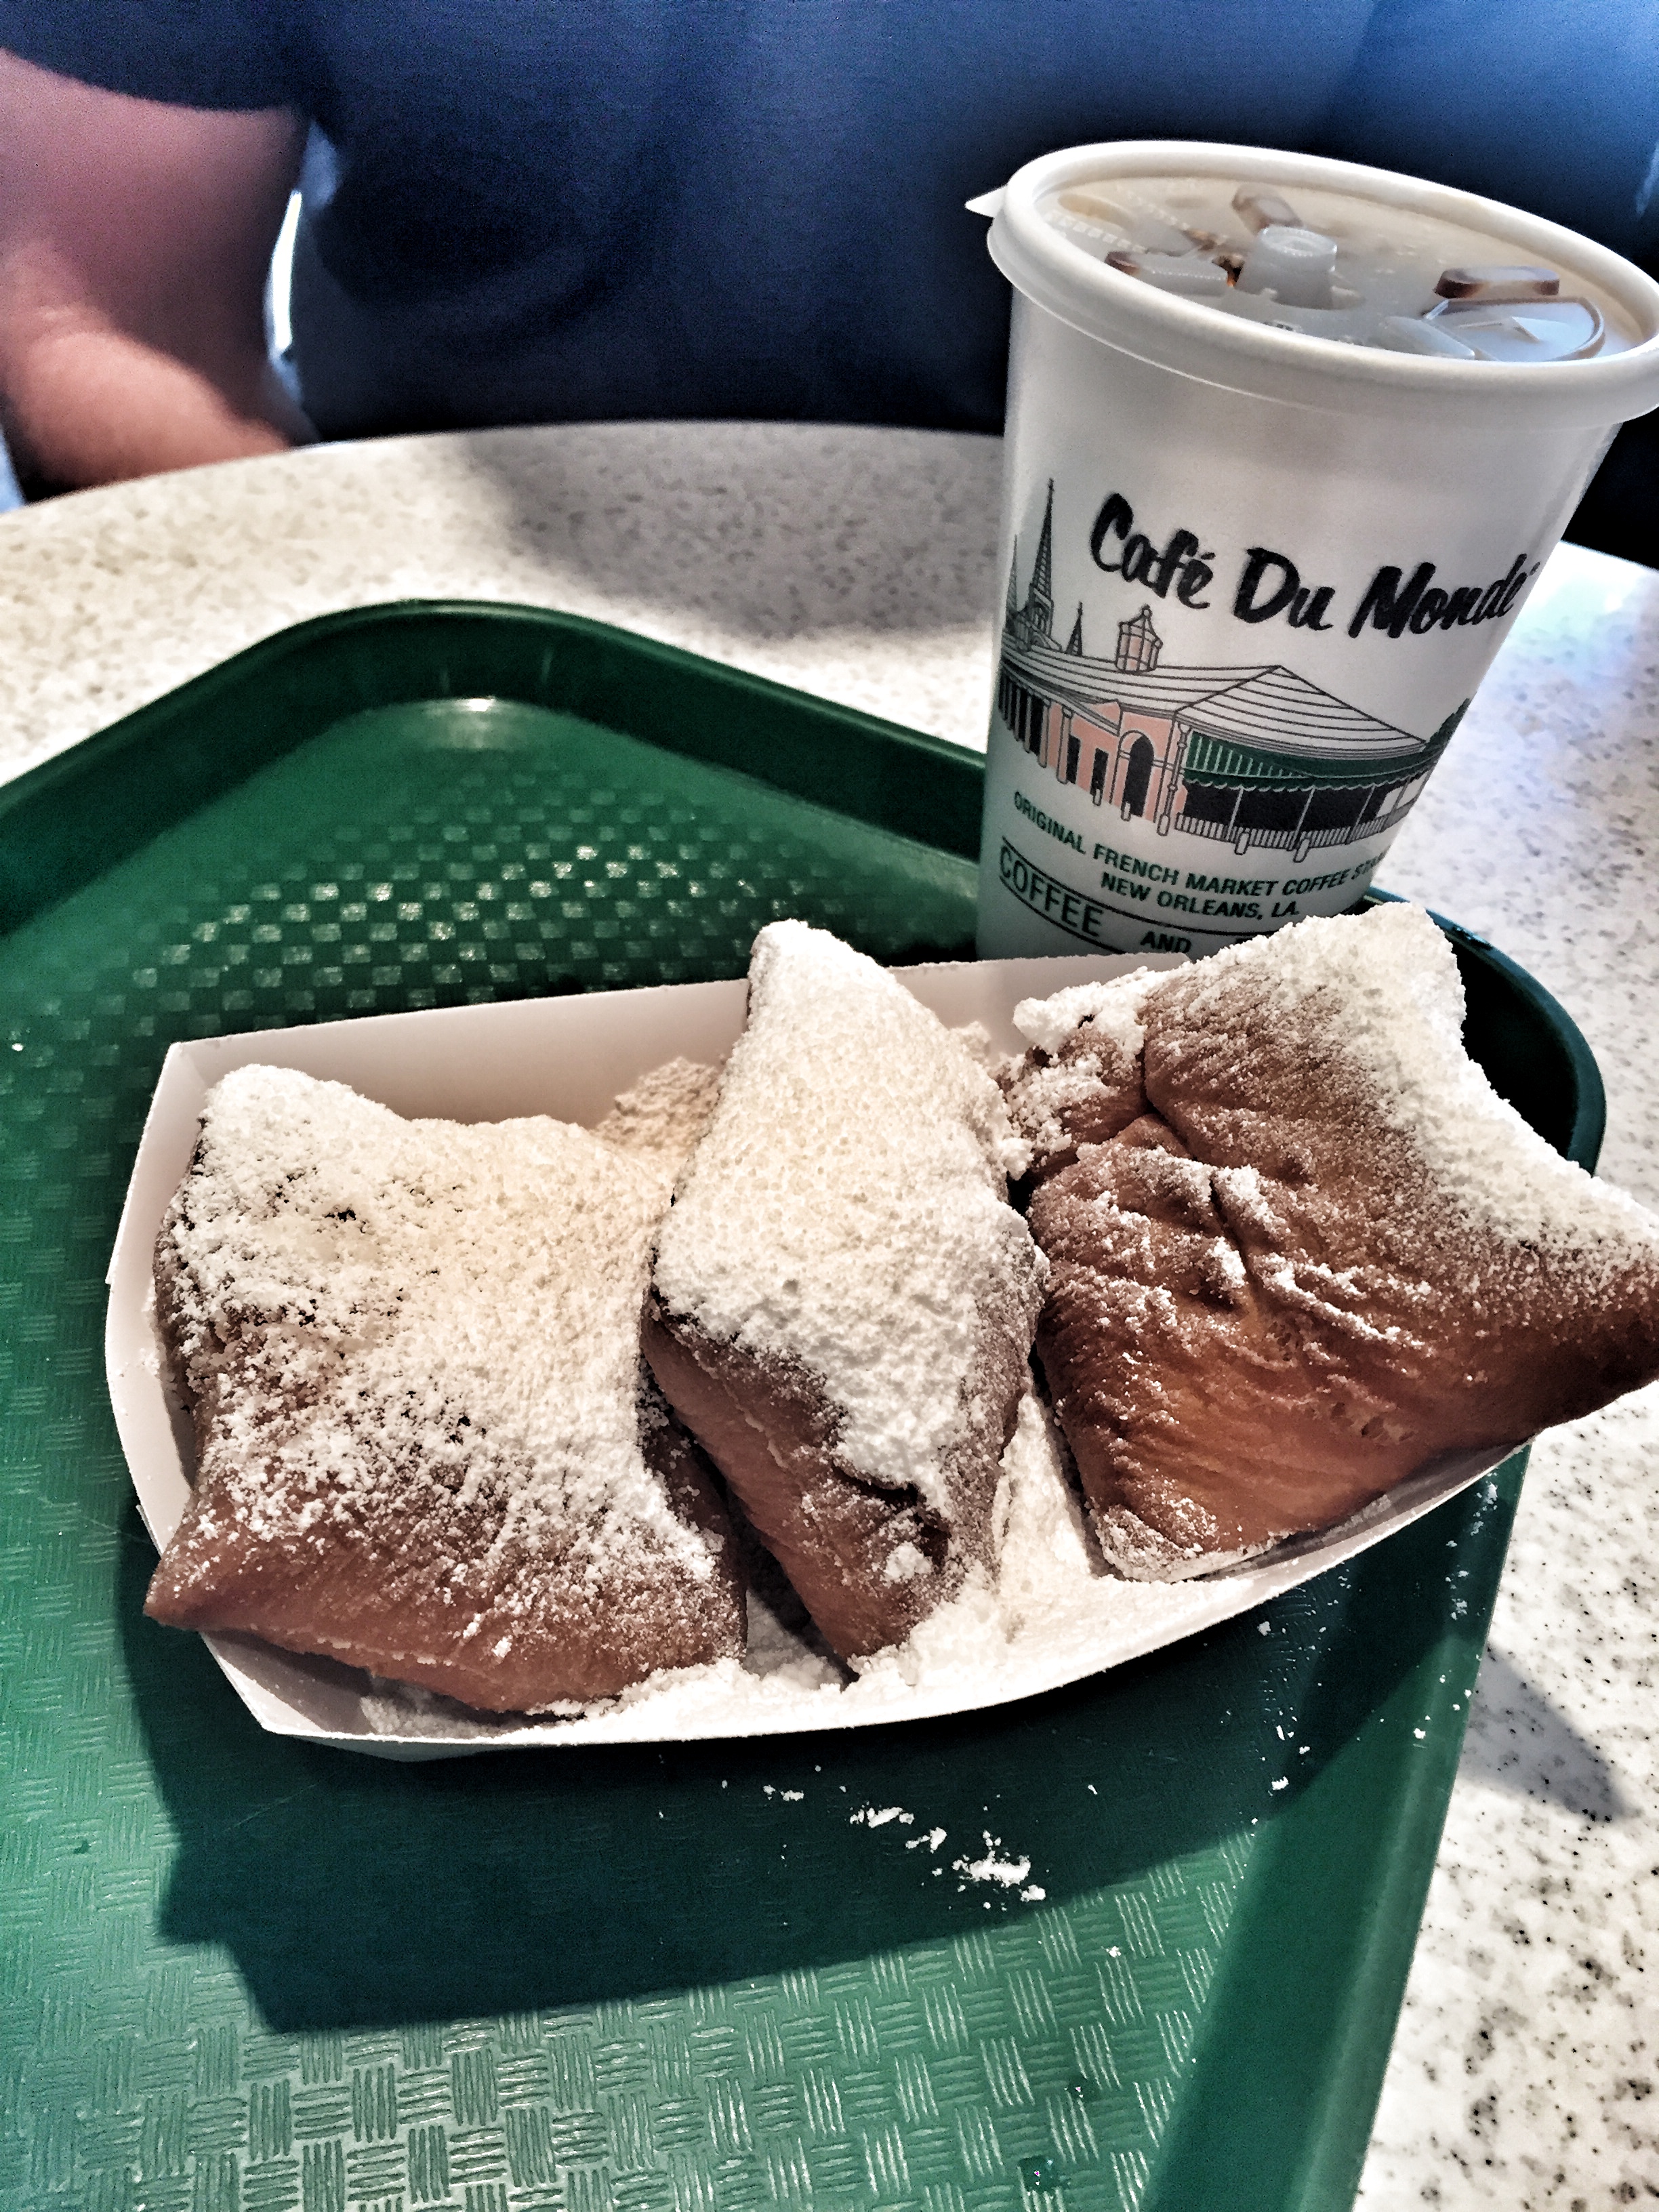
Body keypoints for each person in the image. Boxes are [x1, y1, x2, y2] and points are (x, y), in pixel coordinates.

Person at [1, 0, 1656, 544]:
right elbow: (100, 318)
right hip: (411, 550)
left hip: (1153, 601)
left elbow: (1484, 387)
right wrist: (378, 646)